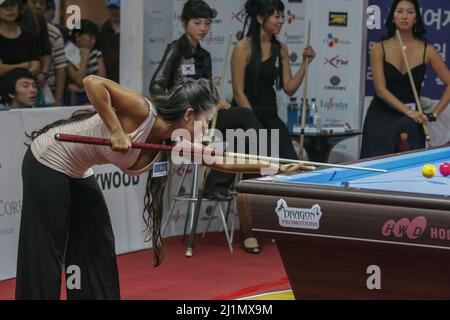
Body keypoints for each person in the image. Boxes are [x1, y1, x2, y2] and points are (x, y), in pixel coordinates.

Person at [16, 75, 301, 300]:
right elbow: (93, 82)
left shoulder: (173, 140)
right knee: (46, 251)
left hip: (78, 169)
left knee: (97, 244)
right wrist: (116, 130)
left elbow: (223, 161)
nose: (209, 129)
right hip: (49, 159)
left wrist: (275, 166)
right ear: (189, 115)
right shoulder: (143, 111)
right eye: (206, 121)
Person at [149, 0, 289, 253]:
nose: (203, 28)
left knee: (246, 127)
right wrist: (181, 105)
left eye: (207, 23)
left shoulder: (204, 55)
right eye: (196, 22)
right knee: (250, 129)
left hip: (205, 120)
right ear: (184, 23)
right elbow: (156, 88)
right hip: (183, 121)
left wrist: (216, 102)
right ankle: (221, 178)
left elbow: (206, 94)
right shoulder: (176, 49)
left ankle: (221, 180)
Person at [229, 0, 316, 252]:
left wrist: (305, 63)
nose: (280, 21)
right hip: (244, 117)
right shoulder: (242, 47)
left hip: (270, 117)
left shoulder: (281, 48)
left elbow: (289, 88)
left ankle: (277, 225)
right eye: (275, 16)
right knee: (251, 175)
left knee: (290, 168)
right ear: (260, 18)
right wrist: (254, 126)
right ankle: (247, 233)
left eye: (282, 16)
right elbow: (238, 92)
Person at [361, 0, 450, 158]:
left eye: (410, 12)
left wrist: (435, 114)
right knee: (375, 169)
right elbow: (381, 90)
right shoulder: (378, 48)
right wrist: (409, 112)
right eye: (400, 11)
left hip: (411, 119)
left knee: (409, 166)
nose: (404, 16)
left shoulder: (426, 49)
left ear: (416, 18)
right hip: (381, 116)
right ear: (393, 17)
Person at [26, 0, 67, 106]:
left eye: (42, 3)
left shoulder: (54, 32)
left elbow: (61, 66)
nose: (38, 6)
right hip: (20, 90)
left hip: (47, 90)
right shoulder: (15, 27)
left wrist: (58, 98)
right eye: (34, 2)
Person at [65, 19, 106, 105]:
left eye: (95, 38)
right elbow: (79, 81)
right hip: (75, 101)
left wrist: (82, 89)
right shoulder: (68, 54)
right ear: (77, 36)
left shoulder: (96, 53)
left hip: (94, 98)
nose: (94, 41)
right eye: (90, 37)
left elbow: (102, 81)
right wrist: (84, 58)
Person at [0, 0, 40, 80]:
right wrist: (23, 66)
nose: (10, 9)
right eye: (4, 6)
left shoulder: (28, 35)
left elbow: (36, 68)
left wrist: (9, 69)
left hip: (25, 88)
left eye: (13, 4)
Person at [98, 0, 121, 83]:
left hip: (126, 79)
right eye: (111, 8)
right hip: (107, 80)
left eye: (117, 8)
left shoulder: (130, 29)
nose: (114, 11)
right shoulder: (101, 28)